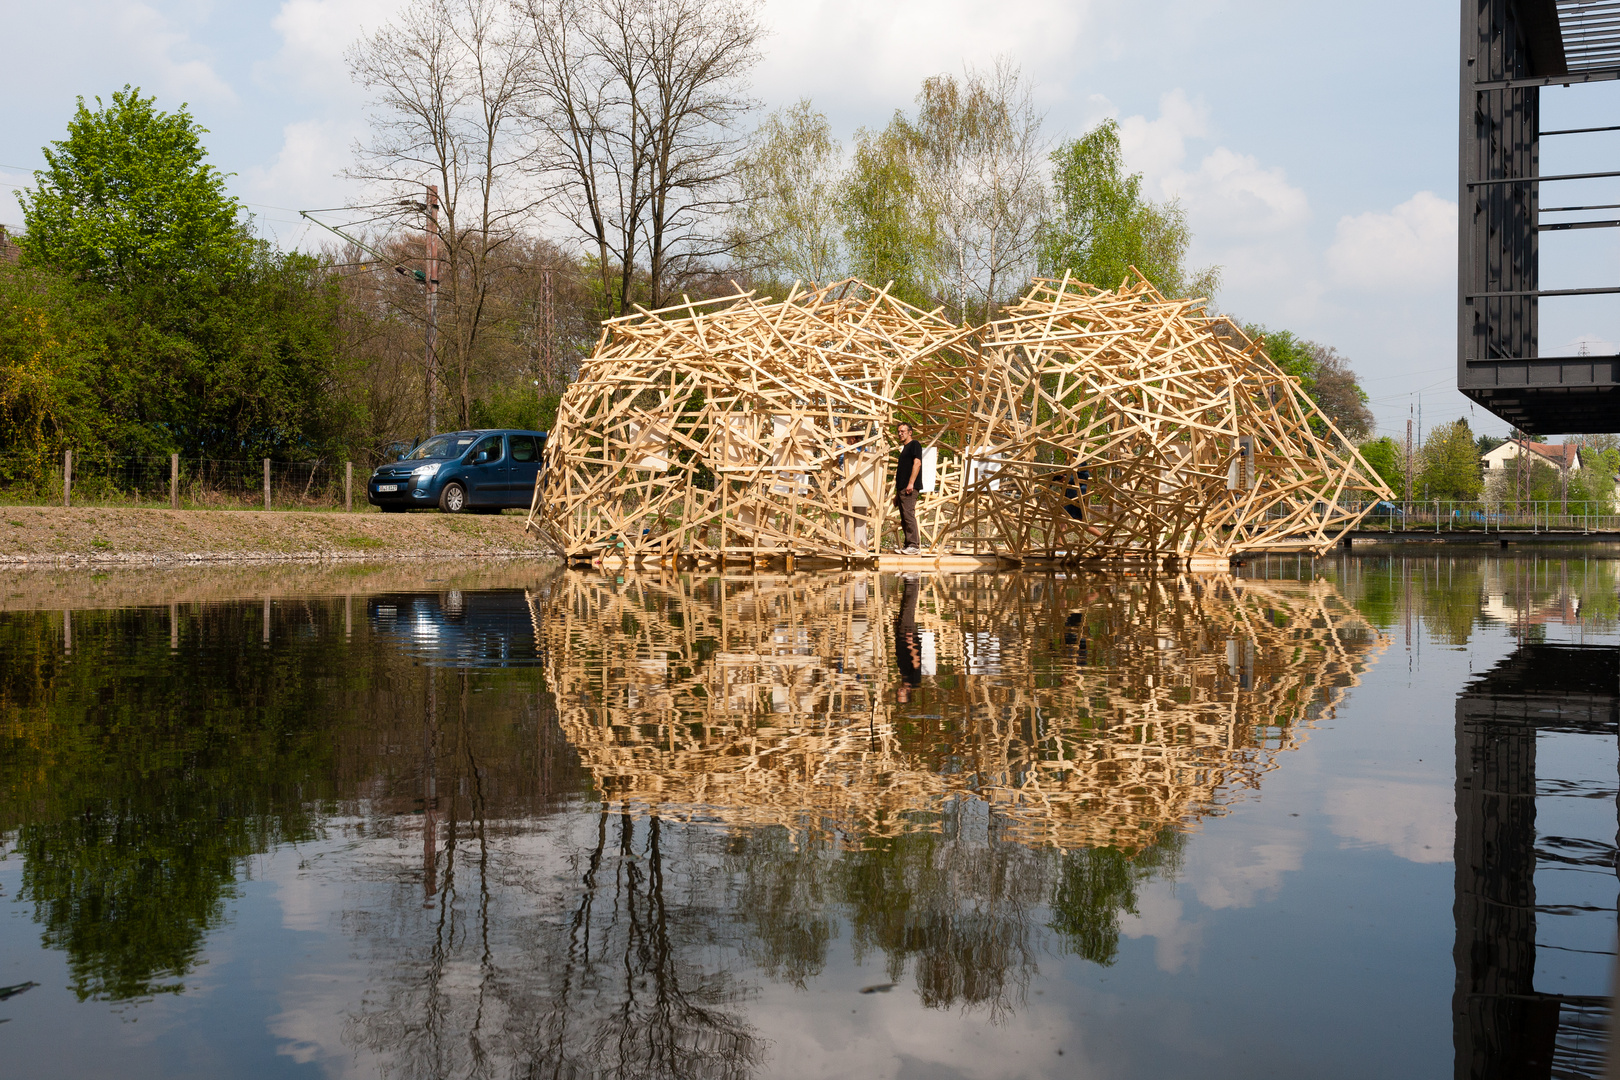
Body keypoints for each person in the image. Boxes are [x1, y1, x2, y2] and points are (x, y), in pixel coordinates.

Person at [892, 422, 923, 554]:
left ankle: (914, 546)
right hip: (902, 489)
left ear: (910, 432)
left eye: (903, 431)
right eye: (898, 431)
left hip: (909, 487)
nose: (900, 433)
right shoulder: (904, 449)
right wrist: (897, 494)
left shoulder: (914, 445)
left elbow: (917, 463)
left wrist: (911, 483)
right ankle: (908, 545)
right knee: (904, 517)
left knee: (909, 515)